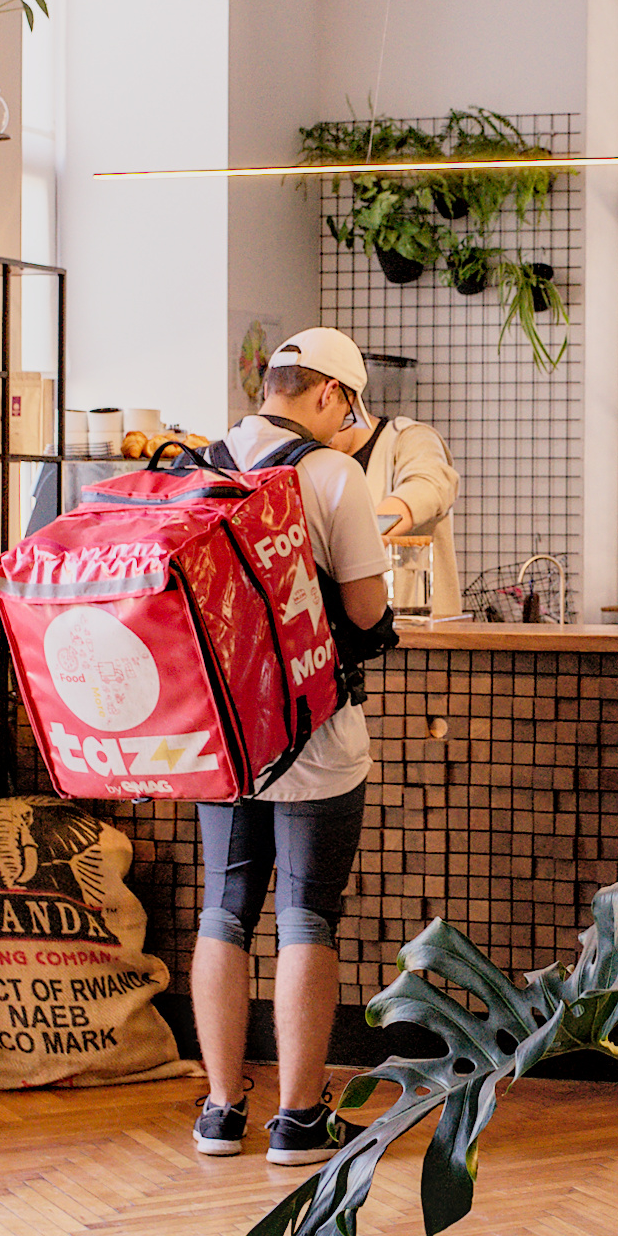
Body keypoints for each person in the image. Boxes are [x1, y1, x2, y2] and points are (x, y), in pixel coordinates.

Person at [188, 328, 396, 1164]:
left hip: (223, 734)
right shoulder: (333, 476)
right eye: (349, 407)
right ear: (329, 393)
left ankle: (219, 1111)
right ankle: (300, 1120)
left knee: (223, 910)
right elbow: (366, 613)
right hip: (313, 730)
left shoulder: (199, 466)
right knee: (307, 914)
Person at [347, 393, 462, 619]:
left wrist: (360, 539)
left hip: (420, 630)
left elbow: (429, 485)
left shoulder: (408, 438)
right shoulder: (317, 459)